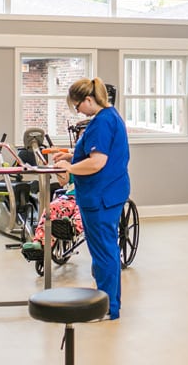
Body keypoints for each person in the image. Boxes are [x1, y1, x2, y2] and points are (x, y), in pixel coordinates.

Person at [50, 77, 130, 320]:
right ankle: (109, 302)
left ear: (87, 100)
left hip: (101, 196)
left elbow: (97, 162)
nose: (77, 112)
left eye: (77, 106)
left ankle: (107, 308)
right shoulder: (110, 116)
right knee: (107, 250)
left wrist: (69, 167)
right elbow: (96, 151)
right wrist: (70, 153)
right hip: (109, 192)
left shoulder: (101, 123)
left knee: (104, 252)